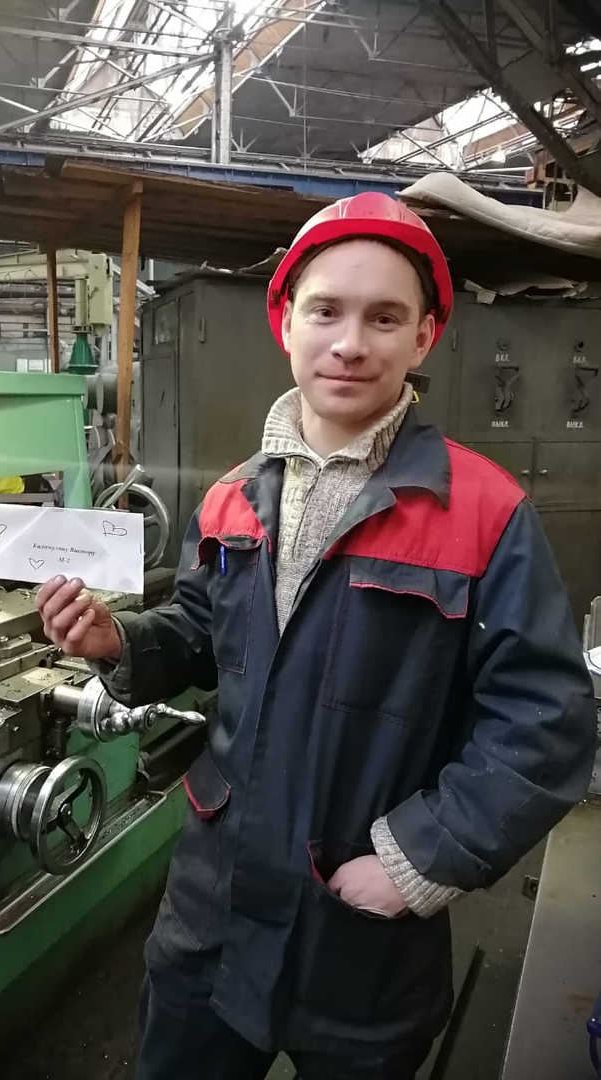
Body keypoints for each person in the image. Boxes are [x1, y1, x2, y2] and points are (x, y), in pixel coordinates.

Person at [36, 193, 596, 1080]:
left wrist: (416, 861)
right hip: (215, 910)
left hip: (360, 929)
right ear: (286, 323)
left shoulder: (485, 513)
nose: (350, 342)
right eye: (326, 310)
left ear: (424, 337)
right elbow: (202, 631)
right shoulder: (232, 497)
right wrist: (120, 642)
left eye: (385, 317)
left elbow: (546, 726)